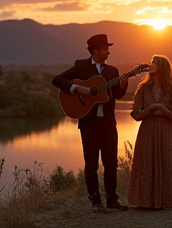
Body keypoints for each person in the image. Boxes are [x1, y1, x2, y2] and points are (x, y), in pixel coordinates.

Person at [52, 34, 128, 213]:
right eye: (105, 49)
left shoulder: (113, 71)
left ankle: (112, 199)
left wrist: (123, 86)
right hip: (89, 124)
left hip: (109, 124)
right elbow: (57, 80)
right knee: (91, 164)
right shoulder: (81, 67)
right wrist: (77, 88)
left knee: (111, 163)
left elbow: (117, 95)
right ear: (94, 50)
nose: (108, 52)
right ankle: (95, 201)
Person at [128, 54, 172, 209]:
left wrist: (163, 109)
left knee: (166, 163)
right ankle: (145, 201)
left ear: (162, 68)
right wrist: (151, 109)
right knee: (146, 163)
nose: (150, 64)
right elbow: (136, 114)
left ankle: (165, 201)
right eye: (151, 61)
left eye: (154, 62)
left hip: (166, 131)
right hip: (148, 130)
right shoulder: (143, 88)